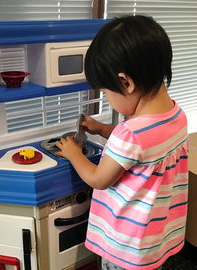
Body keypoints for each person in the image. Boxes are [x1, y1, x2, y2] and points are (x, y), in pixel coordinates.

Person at [56, 15, 188, 270]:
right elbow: (144, 146)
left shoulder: (130, 134)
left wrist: (74, 154)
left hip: (126, 249)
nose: (106, 98)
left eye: (105, 93)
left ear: (126, 82)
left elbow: (98, 179)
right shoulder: (176, 115)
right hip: (153, 239)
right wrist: (103, 129)